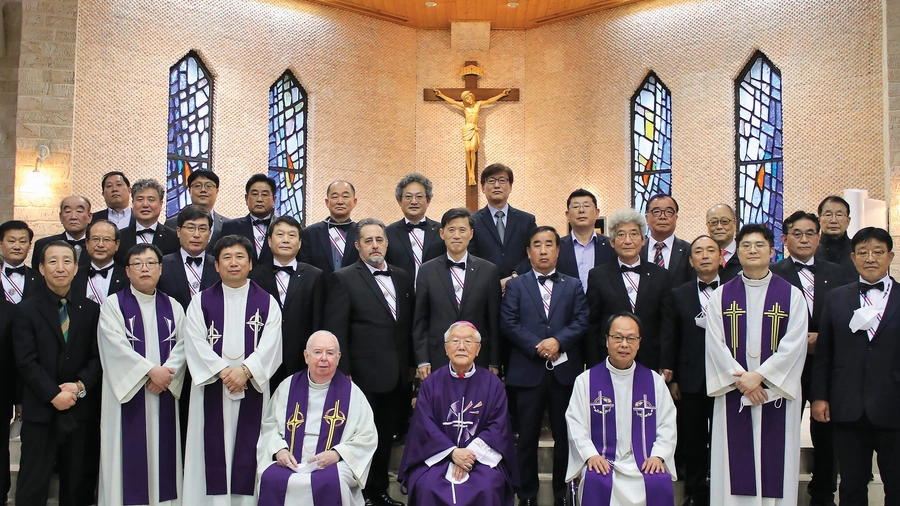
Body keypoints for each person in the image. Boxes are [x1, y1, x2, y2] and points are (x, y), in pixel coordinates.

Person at [705, 224, 808, 506]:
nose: (753, 250)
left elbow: (795, 344)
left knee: (774, 461)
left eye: (759, 245)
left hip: (773, 395)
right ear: (737, 252)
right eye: (746, 245)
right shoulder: (721, 296)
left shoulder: (792, 296)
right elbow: (715, 344)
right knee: (733, 461)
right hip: (734, 394)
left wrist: (760, 377)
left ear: (772, 251)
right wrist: (743, 381)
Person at [181, 234, 283, 505]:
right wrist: (225, 373)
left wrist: (246, 372)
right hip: (212, 389)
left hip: (252, 388)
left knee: (249, 447)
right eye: (226, 257)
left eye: (240, 257)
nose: (233, 263)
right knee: (210, 448)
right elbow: (194, 342)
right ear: (216, 265)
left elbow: (272, 344)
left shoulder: (268, 303)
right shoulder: (200, 302)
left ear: (250, 263)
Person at [323, 218, 414, 506]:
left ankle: (378, 491)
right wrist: (345, 371)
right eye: (368, 241)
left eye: (380, 240)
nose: (375, 245)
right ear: (358, 245)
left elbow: (406, 325)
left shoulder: (401, 276)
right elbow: (337, 329)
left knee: (385, 437)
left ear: (387, 243)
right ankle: (357, 495)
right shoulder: (344, 278)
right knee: (360, 439)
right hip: (362, 376)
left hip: (397, 374)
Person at [812, 227, 900, 506]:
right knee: (851, 485)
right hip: (847, 404)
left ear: (890, 256)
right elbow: (825, 351)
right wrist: (819, 396)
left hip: (894, 404)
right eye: (863, 252)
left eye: (877, 252)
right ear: (853, 258)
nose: (870, 258)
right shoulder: (836, 298)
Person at [501, 226, 588, 506]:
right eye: (536, 245)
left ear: (558, 250)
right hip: (527, 371)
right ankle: (527, 494)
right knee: (526, 438)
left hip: (564, 373)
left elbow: (582, 320)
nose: (543, 250)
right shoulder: (515, 285)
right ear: (528, 252)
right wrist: (539, 346)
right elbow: (509, 323)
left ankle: (563, 494)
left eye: (549, 244)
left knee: (565, 437)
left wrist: (558, 342)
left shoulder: (573, 285)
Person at [97, 243, 187, 506]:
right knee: (126, 460)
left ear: (160, 269)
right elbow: (113, 347)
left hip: (164, 395)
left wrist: (165, 376)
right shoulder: (113, 305)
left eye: (151, 263)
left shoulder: (174, 307)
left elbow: (184, 346)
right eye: (138, 263)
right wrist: (150, 372)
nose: (145, 268)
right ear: (127, 270)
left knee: (163, 457)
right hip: (127, 397)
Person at [13, 241, 102, 506]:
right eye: (52, 261)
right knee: (33, 483)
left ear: (76, 268)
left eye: (67, 261)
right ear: (41, 268)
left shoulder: (91, 310)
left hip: (79, 410)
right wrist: (54, 394)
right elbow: (26, 361)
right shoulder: (25, 310)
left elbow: (98, 357)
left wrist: (78, 386)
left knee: (77, 484)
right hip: (40, 410)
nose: (60, 268)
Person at [769, 211, 844, 506]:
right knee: (782, 429)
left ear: (818, 237)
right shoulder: (772, 273)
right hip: (787, 365)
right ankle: (779, 487)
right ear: (785, 239)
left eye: (810, 233)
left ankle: (823, 493)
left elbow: (846, 316)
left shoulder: (839, 272)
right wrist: (801, 341)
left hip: (827, 364)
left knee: (826, 431)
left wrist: (821, 339)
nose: (804, 239)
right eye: (797, 234)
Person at [399, 322, 518, 505]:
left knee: (488, 485)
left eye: (468, 341)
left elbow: (498, 427)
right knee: (427, 486)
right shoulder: (431, 384)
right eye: (455, 341)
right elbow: (423, 426)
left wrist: (468, 454)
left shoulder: (492, 385)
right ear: (446, 348)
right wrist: (453, 452)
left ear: (478, 349)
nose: (461, 347)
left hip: (480, 459)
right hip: (438, 457)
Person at [565, 313, 677, 506]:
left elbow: (667, 424)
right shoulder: (586, 381)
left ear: (639, 343)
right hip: (602, 458)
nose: (624, 344)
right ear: (607, 340)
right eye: (618, 337)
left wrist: (658, 455)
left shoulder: (655, 382)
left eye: (631, 338)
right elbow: (575, 424)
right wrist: (590, 454)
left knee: (658, 481)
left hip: (644, 460)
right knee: (595, 479)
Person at [256, 331, 377, 506]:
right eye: (318, 352)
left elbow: (367, 436)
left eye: (330, 353)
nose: (324, 358)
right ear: (306, 356)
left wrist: (337, 454)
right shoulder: (287, 387)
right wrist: (279, 450)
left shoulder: (353, 393)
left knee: (334, 482)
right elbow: (269, 426)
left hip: (331, 462)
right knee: (271, 478)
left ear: (338, 357)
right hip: (290, 457)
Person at [413, 208, 501, 377]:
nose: (456, 235)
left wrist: (494, 360)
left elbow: (493, 322)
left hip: (478, 357)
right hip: (438, 356)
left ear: (471, 234)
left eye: (462, 230)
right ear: (442, 233)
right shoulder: (426, 270)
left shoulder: (488, 271)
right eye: (451, 230)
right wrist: (423, 359)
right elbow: (420, 320)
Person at [585, 208, 674, 375]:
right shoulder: (598, 276)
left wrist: (666, 361)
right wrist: (592, 365)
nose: (627, 241)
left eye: (633, 234)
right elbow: (593, 325)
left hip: (651, 359)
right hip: (609, 361)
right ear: (612, 242)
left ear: (643, 240)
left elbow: (667, 324)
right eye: (620, 235)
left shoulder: (660, 275)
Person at [667, 235, 721, 506]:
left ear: (721, 257)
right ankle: (694, 492)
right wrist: (674, 376)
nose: (705, 256)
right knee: (693, 439)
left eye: (711, 250)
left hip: (727, 378)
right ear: (690, 260)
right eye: (698, 251)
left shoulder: (735, 290)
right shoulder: (679, 294)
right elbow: (671, 336)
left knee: (724, 439)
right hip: (690, 378)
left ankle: (724, 491)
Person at [250, 216, 325, 389]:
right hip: (262, 359)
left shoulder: (315, 276)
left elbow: (318, 320)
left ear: (299, 243)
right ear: (269, 241)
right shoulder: (254, 276)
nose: (285, 240)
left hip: (301, 359)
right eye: (280, 234)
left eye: (291, 235)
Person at [468, 163, 536, 289]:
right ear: (482, 187)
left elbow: (533, 253)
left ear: (510, 186)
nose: (497, 185)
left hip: (521, 287)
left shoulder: (527, 220)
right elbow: (470, 256)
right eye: (491, 181)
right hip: (484, 289)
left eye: (502, 180)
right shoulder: (472, 221)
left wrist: (514, 277)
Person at [432, 88, 510, 186]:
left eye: (468, 98)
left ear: (471, 97)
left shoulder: (478, 105)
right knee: (467, 149)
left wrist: (502, 94)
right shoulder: (464, 107)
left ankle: (472, 172)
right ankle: (470, 174)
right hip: (466, 129)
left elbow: (490, 101)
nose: (467, 100)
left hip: (474, 129)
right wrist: (441, 95)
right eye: (465, 99)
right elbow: (452, 102)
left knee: (473, 149)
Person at [384, 173, 446, 280]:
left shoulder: (441, 231)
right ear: (399, 201)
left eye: (419, 196)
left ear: (428, 201)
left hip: (435, 293)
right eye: (408, 197)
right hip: (401, 293)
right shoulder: (388, 233)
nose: (413, 201)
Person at [158, 205, 220, 310]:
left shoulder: (219, 266)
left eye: (202, 229)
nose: (196, 235)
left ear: (209, 234)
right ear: (178, 231)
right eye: (191, 228)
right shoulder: (162, 265)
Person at [557, 189, 616, 293]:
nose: (581, 210)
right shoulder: (557, 247)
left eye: (586, 206)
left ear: (597, 212)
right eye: (575, 207)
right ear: (567, 215)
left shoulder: (611, 245)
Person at [298, 180, 360, 275]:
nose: (340, 201)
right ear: (327, 202)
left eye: (345, 196)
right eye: (335, 197)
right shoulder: (309, 233)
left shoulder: (361, 233)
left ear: (354, 201)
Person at [116, 179, 179, 265]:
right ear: (133, 203)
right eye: (140, 199)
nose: (145, 204)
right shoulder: (120, 238)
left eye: (151, 200)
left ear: (160, 204)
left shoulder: (174, 238)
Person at [165, 171, 230, 254]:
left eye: (208, 186)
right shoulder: (171, 224)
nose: (203, 190)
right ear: (189, 191)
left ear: (217, 191)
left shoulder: (228, 225)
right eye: (197, 186)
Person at [221, 174, 278, 266]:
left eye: (264, 194)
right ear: (246, 198)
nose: (259, 199)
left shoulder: (284, 229)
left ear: (274, 200)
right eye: (255, 194)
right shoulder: (230, 227)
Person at [642, 194, 693, 288]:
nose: (663, 216)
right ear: (647, 218)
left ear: (676, 218)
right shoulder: (637, 250)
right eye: (656, 212)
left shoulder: (689, 251)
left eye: (669, 212)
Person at [71, 219, 126, 305]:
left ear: (117, 244)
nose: (100, 245)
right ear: (87, 243)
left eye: (106, 240)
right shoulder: (74, 276)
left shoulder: (128, 277)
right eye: (95, 239)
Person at [31, 195, 93, 270]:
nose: (73, 217)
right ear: (60, 217)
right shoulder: (42, 245)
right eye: (68, 211)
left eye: (79, 211)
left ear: (89, 217)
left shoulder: (98, 245)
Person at [0, 220, 44, 304]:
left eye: (22, 242)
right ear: (1, 244)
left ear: (29, 246)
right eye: (11, 241)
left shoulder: (40, 279)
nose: (17, 247)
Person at [815, 196, 857, 277]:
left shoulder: (858, 251)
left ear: (848, 221)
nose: (833, 220)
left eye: (839, 215)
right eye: (828, 215)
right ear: (819, 220)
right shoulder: (810, 252)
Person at [706, 204, 741, 282]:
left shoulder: (745, 254)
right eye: (714, 222)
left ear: (734, 224)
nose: (719, 227)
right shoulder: (701, 257)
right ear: (707, 226)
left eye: (724, 221)